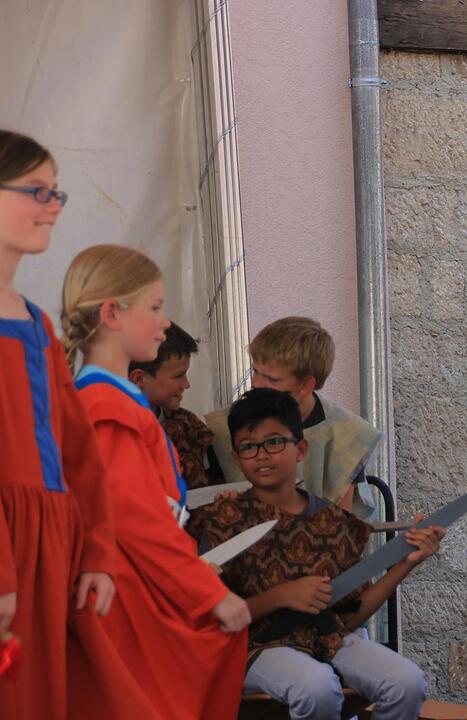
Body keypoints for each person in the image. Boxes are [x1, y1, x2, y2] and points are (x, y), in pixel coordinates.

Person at [0, 129, 157, 719]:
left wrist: (96, 553)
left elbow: (78, 455)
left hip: (50, 546)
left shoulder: (36, 324)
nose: (54, 207)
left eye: (56, 193)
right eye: (37, 191)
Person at [62, 243, 250, 720]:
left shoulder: (105, 401)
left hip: (134, 587)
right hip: (127, 602)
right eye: (155, 307)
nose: (165, 322)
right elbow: (137, 520)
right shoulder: (107, 408)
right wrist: (206, 592)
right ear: (112, 314)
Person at [188, 388, 439, 720]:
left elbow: (350, 616)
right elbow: (212, 620)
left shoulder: (334, 522)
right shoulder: (221, 521)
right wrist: (281, 597)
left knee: (406, 682)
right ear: (236, 458)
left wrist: (405, 564)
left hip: (328, 639)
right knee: (317, 688)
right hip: (252, 647)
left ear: (300, 448)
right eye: (248, 447)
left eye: (274, 442)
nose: (262, 455)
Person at [205, 316, 382, 516]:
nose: (256, 384)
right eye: (255, 371)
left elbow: (345, 528)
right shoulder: (220, 429)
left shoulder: (349, 436)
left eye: (271, 378)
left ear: (306, 385)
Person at [129, 321, 223, 488]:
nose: (187, 384)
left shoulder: (190, 427)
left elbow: (213, 489)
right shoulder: (102, 435)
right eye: (179, 375)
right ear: (139, 379)